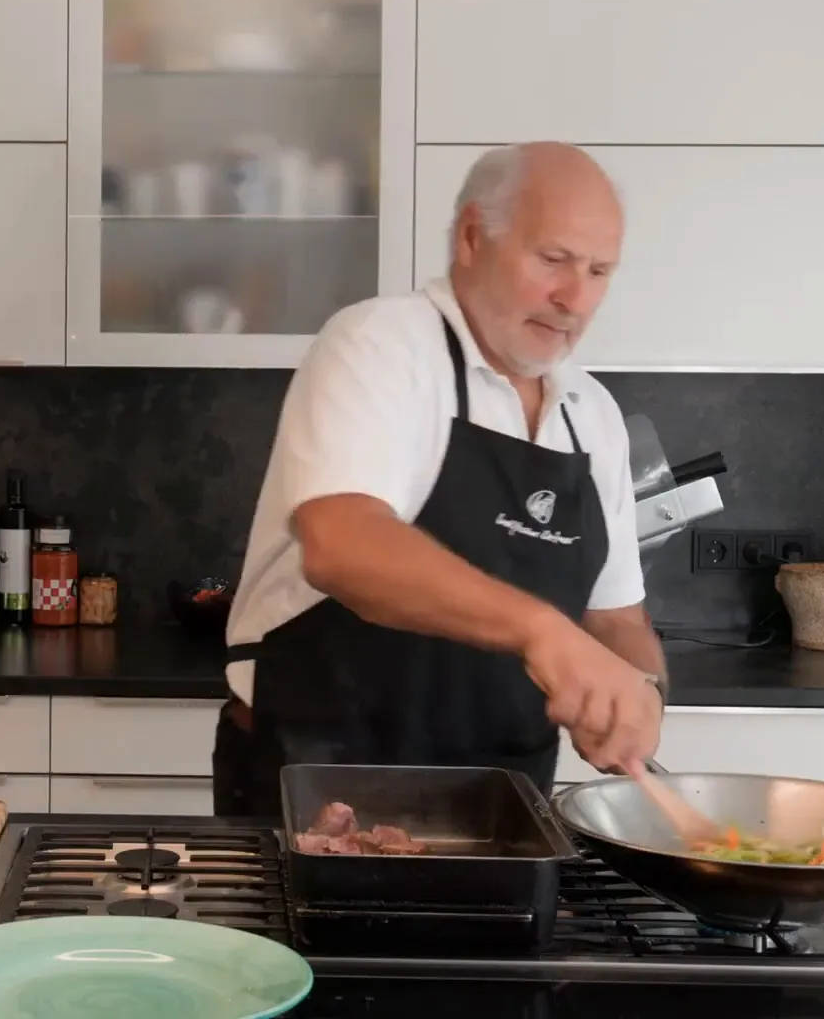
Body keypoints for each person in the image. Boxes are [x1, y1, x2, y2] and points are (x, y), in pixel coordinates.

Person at [212, 141, 666, 816]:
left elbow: (616, 616)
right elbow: (342, 543)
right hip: (322, 784)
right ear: (473, 237)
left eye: (599, 271)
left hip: (504, 808)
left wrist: (642, 693)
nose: (575, 299)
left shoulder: (591, 415)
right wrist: (543, 632)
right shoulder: (382, 344)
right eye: (553, 260)